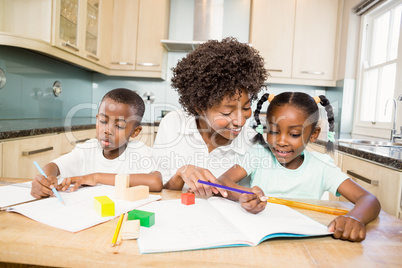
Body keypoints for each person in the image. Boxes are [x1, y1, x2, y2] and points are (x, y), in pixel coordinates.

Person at [218, 92, 381, 242]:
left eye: (294, 134)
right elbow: (223, 180)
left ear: (314, 134)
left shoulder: (322, 167)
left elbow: (369, 199)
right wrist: (242, 194)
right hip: (262, 238)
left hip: (306, 242)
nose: (281, 141)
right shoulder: (258, 155)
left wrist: (355, 218)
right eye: (274, 131)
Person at [153, 37, 268, 197]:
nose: (240, 121)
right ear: (200, 108)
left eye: (247, 108)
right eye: (227, 113)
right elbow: (159, 190)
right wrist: (181, 174)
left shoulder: (253, 142)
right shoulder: (173, 124)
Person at [31, 88, 162, 198]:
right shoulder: (88, 149)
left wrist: (97, 177)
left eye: (119, 126)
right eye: (103, 122)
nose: (107, 131)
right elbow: (54, 166)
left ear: (135, 131)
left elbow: (155, 181)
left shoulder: (138, 151)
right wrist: (46, 180)